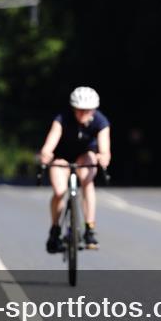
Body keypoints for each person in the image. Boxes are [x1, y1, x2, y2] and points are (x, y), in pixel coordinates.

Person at [39, 86, 111, 251]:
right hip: (62, 157)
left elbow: (105, 147)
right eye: (79, 110)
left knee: (87, 181)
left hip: (85, 155)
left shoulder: (101, 121)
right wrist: (46, 152)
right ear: (73, 108)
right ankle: (55, 228)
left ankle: (90, 229)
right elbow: (51, 140)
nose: (83, 114)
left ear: (94, 110)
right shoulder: (62, 119)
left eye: (87, 111)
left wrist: (104, 156)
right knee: (59, 191)